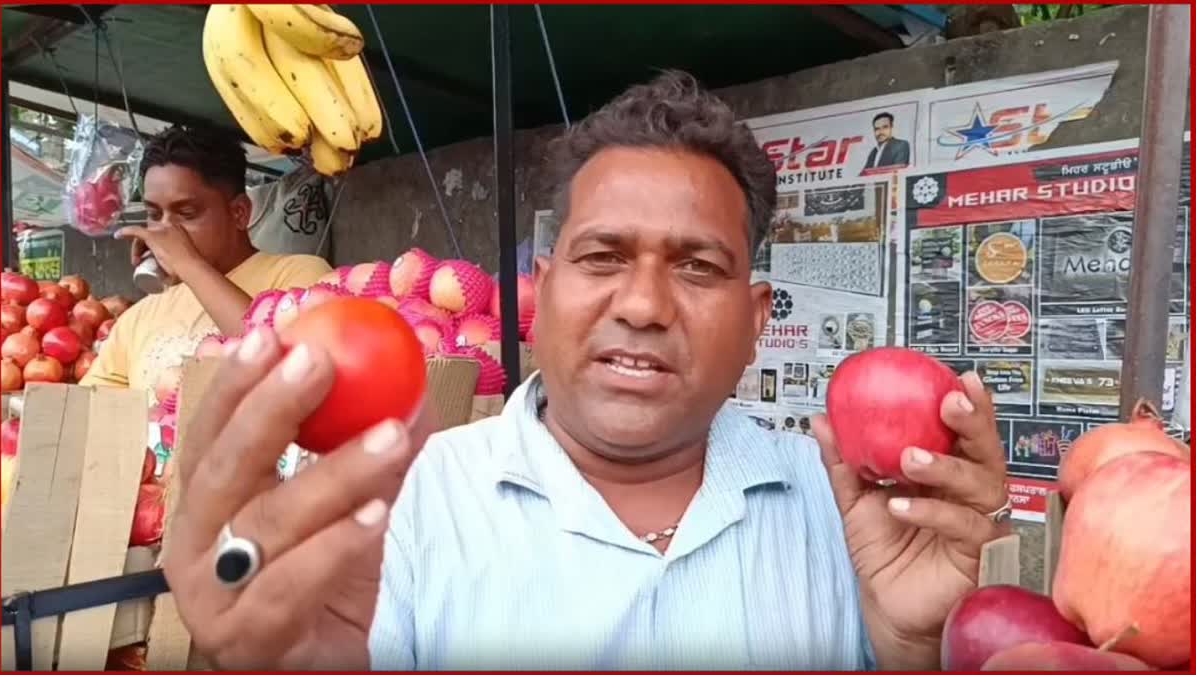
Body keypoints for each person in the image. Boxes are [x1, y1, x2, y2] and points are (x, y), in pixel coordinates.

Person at [162, 71, 1011, 670]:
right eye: (602, 256)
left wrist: (912, 651)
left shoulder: (849, 511)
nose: (642, 304)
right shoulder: (409, 508)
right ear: (543, 289)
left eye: (697, 267)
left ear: (756, 324)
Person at [80, 126, 332, 405]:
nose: (166, 231)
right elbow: (87, 414)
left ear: (239, 212)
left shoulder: (302, 276)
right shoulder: (136, 319)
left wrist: (189, 265)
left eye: (186, 214)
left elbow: (285, 372)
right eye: (154, 214)